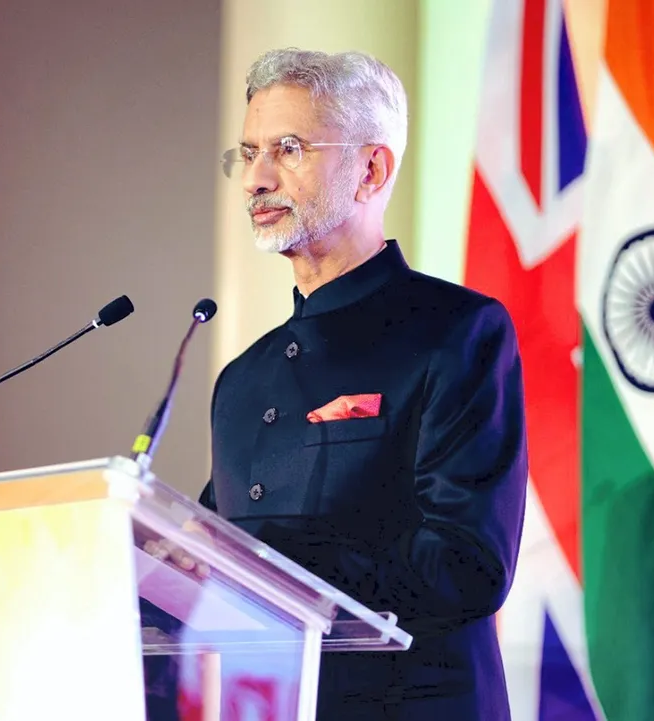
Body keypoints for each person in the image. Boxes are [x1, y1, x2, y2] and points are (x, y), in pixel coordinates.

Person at [196, 47, 529, 719]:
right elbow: (206, 564)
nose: (256, 178)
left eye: (287, 149)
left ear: (370, 169)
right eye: (247, 152)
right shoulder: (241, 380)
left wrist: (272, 552)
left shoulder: (456, 333)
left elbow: (466, 565)